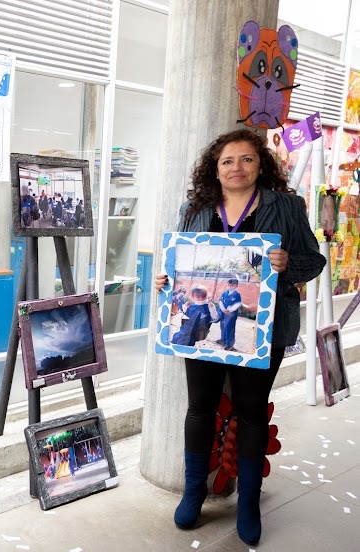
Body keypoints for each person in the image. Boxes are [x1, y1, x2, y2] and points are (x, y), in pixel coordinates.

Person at [155, 129, 325, 546]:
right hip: (197, 332)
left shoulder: (286, 206)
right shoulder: (194, 208)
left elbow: (314, 259)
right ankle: (194, 490)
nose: (237, 167)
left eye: (247, 159)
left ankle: (248, 501)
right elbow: (179, 262)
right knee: (200, 408)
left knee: (251, 413)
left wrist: (288, 265)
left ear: (260, 165)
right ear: (215, 168)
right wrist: (165, 280)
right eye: (228, 160)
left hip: (266, 331)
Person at [217, 279, 243, 351]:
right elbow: (220, 301)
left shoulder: (237, 295)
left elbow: (237, 304)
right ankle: (223, 340)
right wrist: (222, 309)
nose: (229, 286)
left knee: (230, 329)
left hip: (231, 315)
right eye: (228, 285)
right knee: (223, 327)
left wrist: (230, 310)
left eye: (232, 285)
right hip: (223, 313)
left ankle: (229, 344)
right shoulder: (224, 293)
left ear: (236, 286)